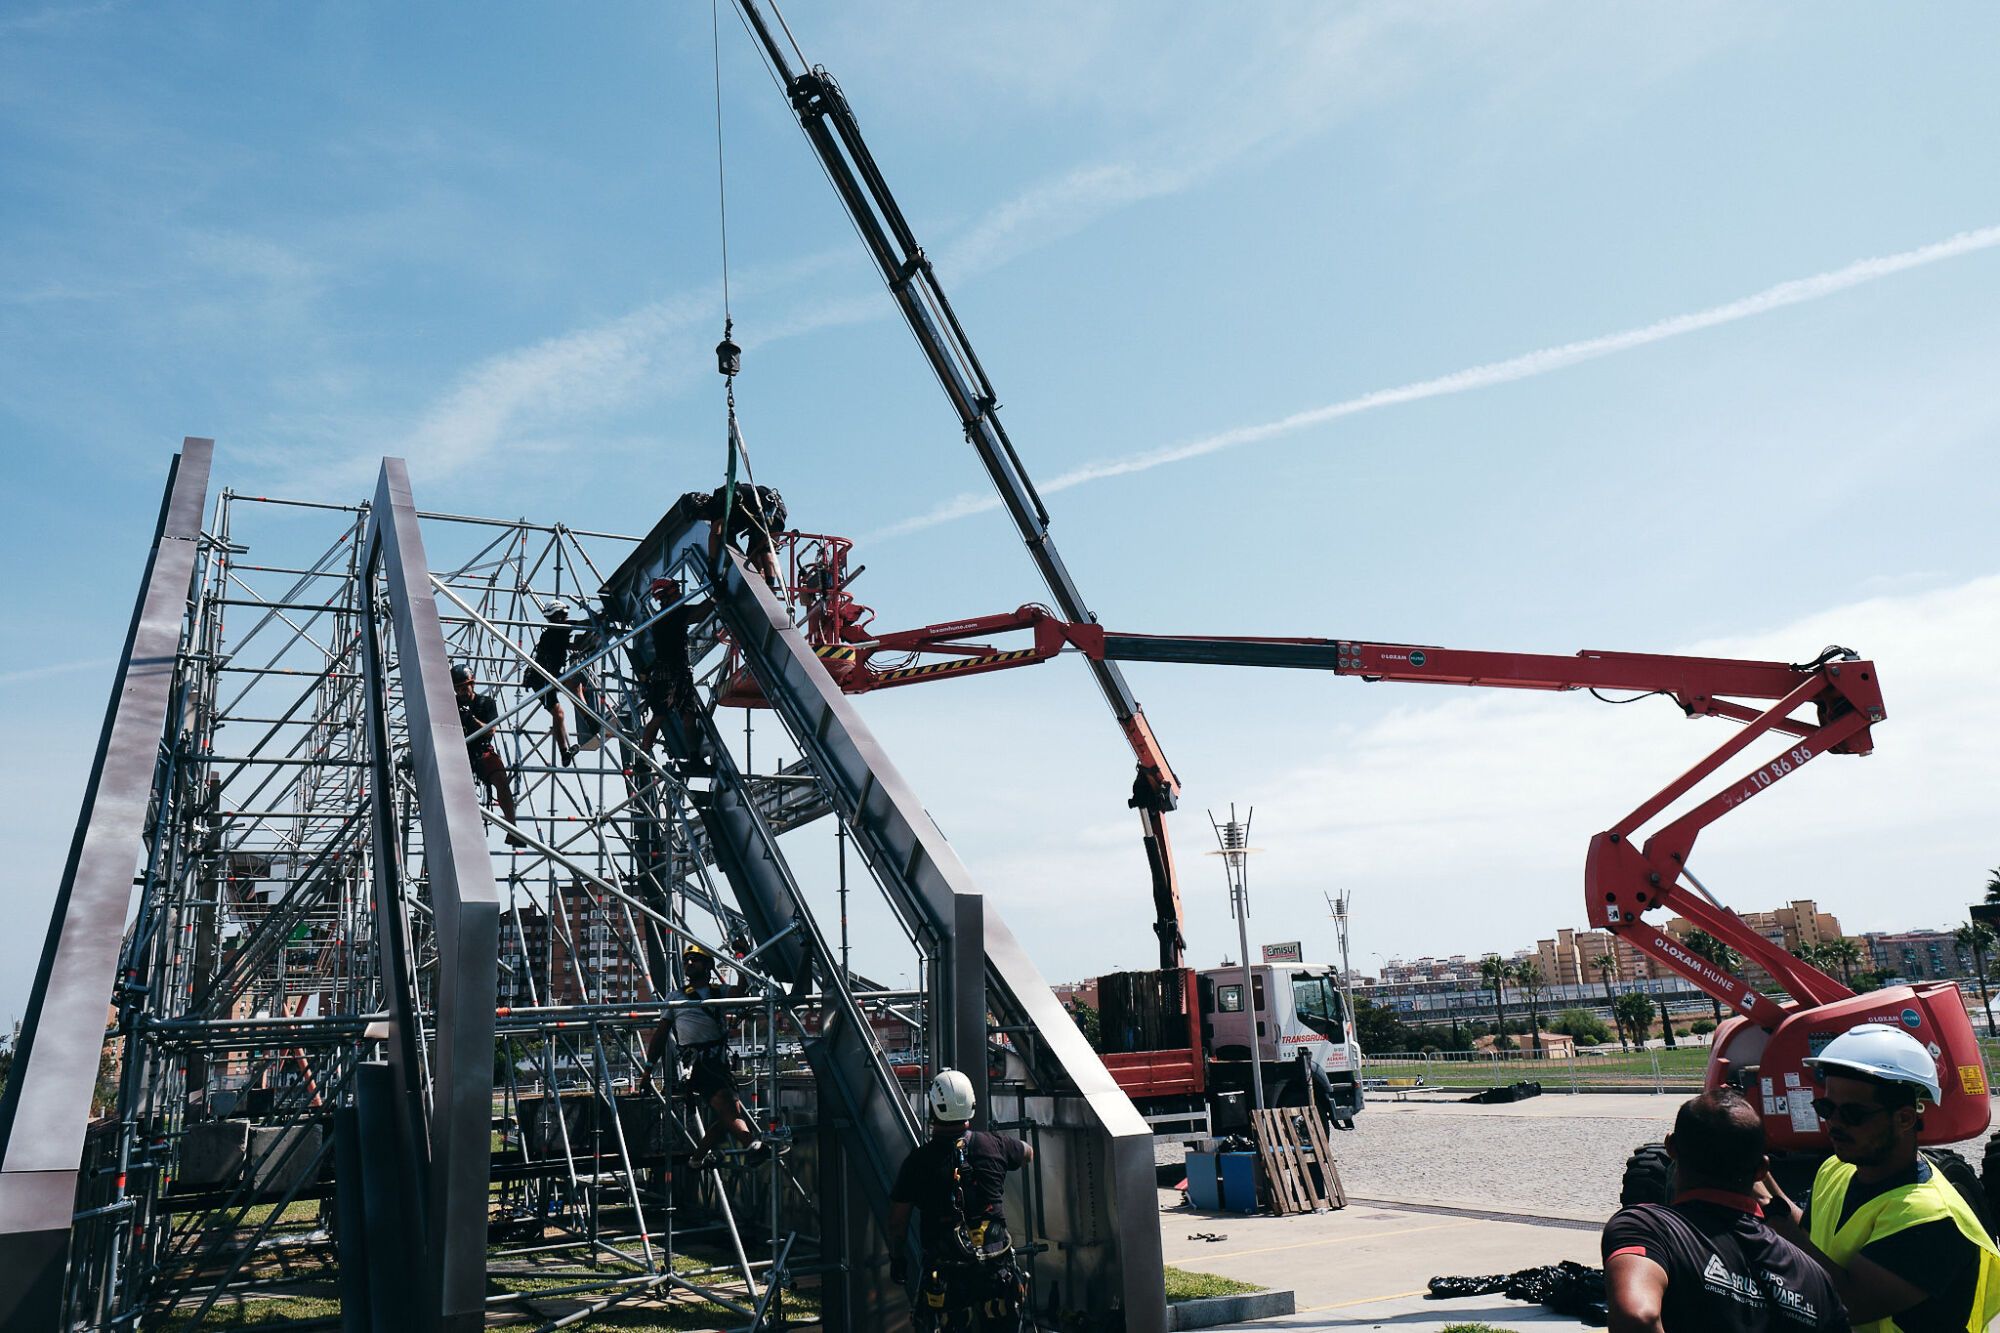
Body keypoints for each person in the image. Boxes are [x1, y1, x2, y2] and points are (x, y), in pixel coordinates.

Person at [1759, 1023, 2000, 1333]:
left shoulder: (1930, 1218)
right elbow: (1811, 1233)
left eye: (1853, 1114)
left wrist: (1775, 1222)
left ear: (1904, 1118)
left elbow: (1847, 1302)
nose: (1834, 1123)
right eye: (1826, 1108)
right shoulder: (1837, 1169)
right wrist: (1757, 1177)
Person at [1602, 1089, 1847, 1332]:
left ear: (1671, 1147)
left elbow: (1637, 1317)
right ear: (1761, 1170)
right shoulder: (1815, 1279)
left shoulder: (1647, 1229)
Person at [887, 1070, 1033, 1331]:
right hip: (996, 1276)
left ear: (933, 1108)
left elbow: (898, 1223)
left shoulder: (917, 1163)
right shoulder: (996, 1145)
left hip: (947, 1280)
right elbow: (1027, 1152)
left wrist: (898, 1259)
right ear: (971, 1104)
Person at [643, 946, 765, 1168]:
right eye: (686, 960)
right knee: (727, 1106)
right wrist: (648, 1069)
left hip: (719, 1063)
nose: (689, 963)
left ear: (708, 966)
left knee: (728, 1115)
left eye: (695, 959)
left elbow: (741, 992)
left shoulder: (719, 992)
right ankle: (753, 1145)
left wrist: (742, 957)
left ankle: (696, 1159)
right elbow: (660, 1035)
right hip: (699, 1064)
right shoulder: (676, 997)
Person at [635, 576, 709, 770]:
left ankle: (694, 758)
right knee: (661, 715)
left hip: (677, 672)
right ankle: (642, 758)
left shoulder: (667, 615)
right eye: (675, 591)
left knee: (688, 715)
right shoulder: (670, 615)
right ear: (665, 596)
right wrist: (716, 597)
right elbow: (699, 613)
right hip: (669, 675)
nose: (680, 594)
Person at [451, 664, 527, 847]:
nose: (461, 692)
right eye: (458, 688)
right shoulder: (450, 704)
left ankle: (512, 829)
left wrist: (470, 718)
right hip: (458, 751)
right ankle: (455, 833)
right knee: (451, 791)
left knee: (501, 780)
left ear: (472, 684)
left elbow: (491, 731)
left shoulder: (485, 703)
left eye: (464, 687)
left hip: (481, 749)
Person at [687, 482, 786, 591]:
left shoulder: (720, 501)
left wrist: (712, 566)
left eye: (699, 516)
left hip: (770, 511)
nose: (703, 519)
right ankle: (761, 586)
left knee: (764, 547)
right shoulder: (724, 504)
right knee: (753, 556)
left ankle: (770, 586)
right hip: (761, 514)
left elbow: (715, 533)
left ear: (701, 508)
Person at [522, 600, 581, 765]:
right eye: (560, 615)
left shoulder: (557, 633)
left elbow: (571, 645)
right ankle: (565, 750)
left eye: (564, 614)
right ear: (554, 617)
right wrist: (599, 619)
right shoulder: (553, 632)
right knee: (559, 712)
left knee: (573, 690)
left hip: (551, 675)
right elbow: (580, 624)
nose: (564, 618)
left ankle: (589, 722)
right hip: (541, 678)